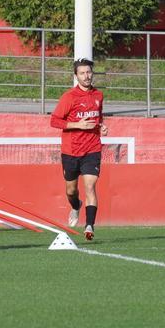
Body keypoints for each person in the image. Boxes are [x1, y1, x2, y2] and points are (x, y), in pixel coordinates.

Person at [50, 58, 108, 241]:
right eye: (82, 73)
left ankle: (89, 225)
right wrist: (78, 125)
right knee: (71, 191)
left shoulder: (98, 95)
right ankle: (76, 206)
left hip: (92, 148)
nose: (87, 76)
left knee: (90, 186)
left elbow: (98, 118)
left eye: (89, 72)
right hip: (71, 151)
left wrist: (102, 127)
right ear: (76, 76)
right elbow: (54, 121)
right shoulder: (69, 97)